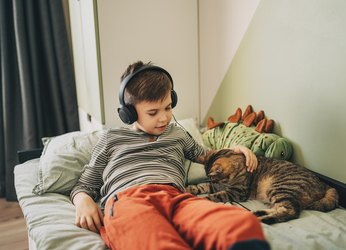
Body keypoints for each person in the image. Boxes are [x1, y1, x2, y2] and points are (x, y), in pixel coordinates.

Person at [70, 61, 270, 250]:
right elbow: (85, 185)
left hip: (177, 199)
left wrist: (234, 150)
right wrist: (82, 201)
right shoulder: (112, 138)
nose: (164, 117)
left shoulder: (177, 133)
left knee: (242, 226)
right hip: (129, 201)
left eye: (168, 107)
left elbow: (206, 156)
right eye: (152, 112)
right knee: (156, 241)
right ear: (128, 113)